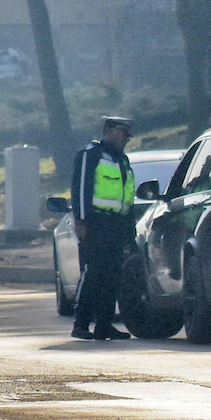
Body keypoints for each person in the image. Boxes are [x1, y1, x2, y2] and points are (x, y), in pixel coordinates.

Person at [69, 116, 137, 341]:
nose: (125, 139)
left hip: (116, 226)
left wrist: (130, 231)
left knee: (112, 277)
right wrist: (80, 221)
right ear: (110, 131)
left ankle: (104, 326)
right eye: (122, 134)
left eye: (126, 136)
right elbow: (80, 188)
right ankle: (80, 324)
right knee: (94, 274)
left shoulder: (122, 159)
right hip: (96, 224)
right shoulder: (91, 154)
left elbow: (126, 196)